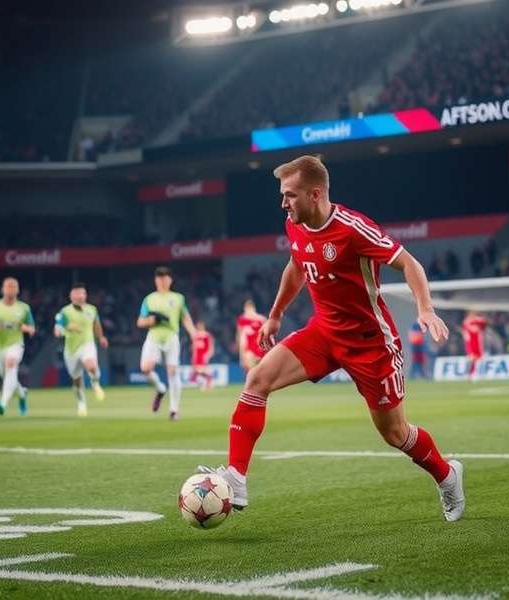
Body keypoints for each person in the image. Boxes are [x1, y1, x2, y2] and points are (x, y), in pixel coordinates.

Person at [198, 155, 464, 522]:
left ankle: (447, 475)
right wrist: (275, 315)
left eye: (290, 195)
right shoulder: (294, 224)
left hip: (371, 342)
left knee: (394, 432)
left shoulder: (354, 228)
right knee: (257, 380)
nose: (283, 203)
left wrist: (426, 309)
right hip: (324, 332)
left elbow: (409, 263)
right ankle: (237, 477)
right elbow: (296, 266)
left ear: (316, 194)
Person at [137, 266, 198, 421]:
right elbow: (140, 321)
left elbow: (185, 317)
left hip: (171, 337)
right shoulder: (149, 299)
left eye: (165, 278)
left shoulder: (178, 298)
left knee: (172, 371)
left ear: (170, 280)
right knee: (145, 369)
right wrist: (151, 320)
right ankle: (160, 389)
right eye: (159, 278)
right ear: (155, 280)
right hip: (154, 336)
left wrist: (193, 333)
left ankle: (174, 410)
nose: (162, 281)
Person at [0, 277, 35, 416]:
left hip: (16, 345)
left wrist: (26, 328)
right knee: (8, 376)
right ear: (2, 289)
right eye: (8, 286)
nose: (10, 289)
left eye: (13, 286)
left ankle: (3, 404)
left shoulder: (24, 308)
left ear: (18, 290)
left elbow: (32, 328)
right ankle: (21, 394)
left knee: (11, 365)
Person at [54, 282, 109, 417]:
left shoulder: (92, 310)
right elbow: (56, 331)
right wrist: (68, 328)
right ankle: (81, 402)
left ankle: (95, 384)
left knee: (91, 365)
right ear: (71, 296)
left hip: (87, 344)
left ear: (85, 295)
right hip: (71, 350)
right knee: (76, 379)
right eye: (76, 293)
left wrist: (101, 337)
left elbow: (96, 325)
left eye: (82, 293)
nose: (80, 296)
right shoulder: (64, 312)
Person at [236, 299, 266, 372]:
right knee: (248, 367)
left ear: (253, 309)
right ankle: (252, 379)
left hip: (259, 345)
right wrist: (241, 352)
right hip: (248, 346)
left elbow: (266, 333)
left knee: (261, 367)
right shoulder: (242, 319)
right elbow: (239, 335)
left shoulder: (261, 319)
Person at [461, 311, 487, 380]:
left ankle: (474, 374)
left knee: (477, 359)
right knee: (472, 358)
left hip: (478, 343)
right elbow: (465, 332)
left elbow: (484, 324)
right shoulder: (467, 322)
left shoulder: (478, 320)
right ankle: (469, 373)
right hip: (470, 343)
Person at [190, 320, 214, 391]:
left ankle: (208, 381)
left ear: (203, 326)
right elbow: (194, 347)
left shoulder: (206, 335)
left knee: (200, 370)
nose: (199, 327)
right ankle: (207, 382)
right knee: (195, 372)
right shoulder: (196, 335)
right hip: (196, 356)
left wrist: (208, 355)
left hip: (203, 355)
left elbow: (210, 346)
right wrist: (193, 355)